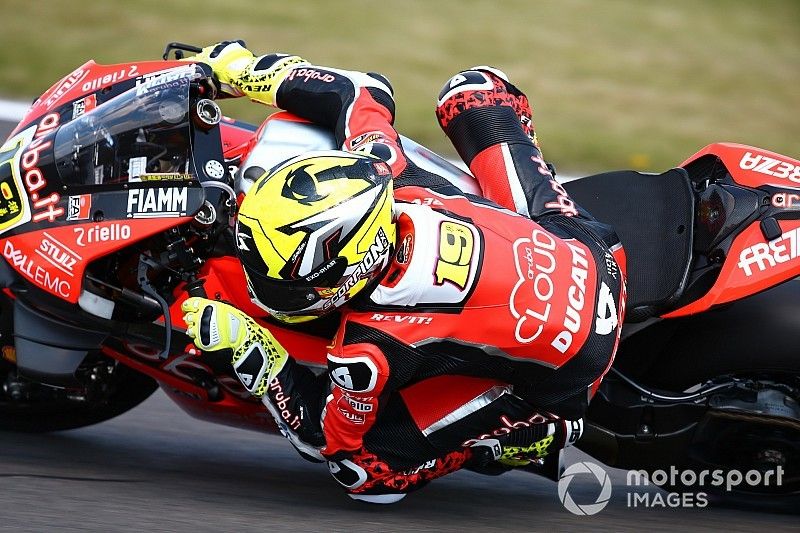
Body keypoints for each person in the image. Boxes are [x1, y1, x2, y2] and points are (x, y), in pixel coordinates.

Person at [180, 41, 627, 503]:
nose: (268, 285)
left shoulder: (367, 350)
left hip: (575, 369)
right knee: (473, 92)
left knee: (364, 476)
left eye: (285, 279)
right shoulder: (385, 169)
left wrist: (257, 355)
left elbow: (326, 439)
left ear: (345, 271)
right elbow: (361, 91)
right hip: (591, 247)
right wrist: (246, 70)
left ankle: (525, 434)